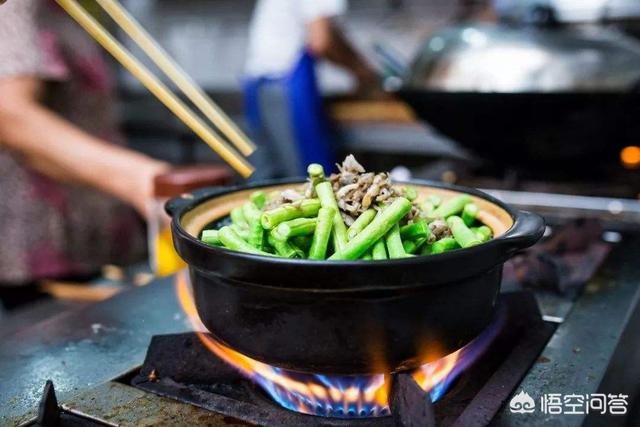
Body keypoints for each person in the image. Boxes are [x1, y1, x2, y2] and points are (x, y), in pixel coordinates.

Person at [0, 0, 168, 305]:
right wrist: (139, 177)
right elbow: (10, 115)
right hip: (45, 249)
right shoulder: (20, 5)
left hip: (90, 239)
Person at [243, 0, 379, 178]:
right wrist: (362, 71)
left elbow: (328, 33)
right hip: (286, 87)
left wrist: (359, 66)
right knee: (311, 179)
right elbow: (321, 41)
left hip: (258, 85)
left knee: (267, 179)